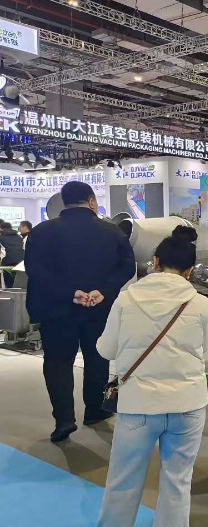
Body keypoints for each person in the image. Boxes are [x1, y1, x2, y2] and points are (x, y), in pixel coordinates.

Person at [92, 226, 208, 527]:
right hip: (188, 405)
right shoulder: (201, 304)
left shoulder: (127, 298)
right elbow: (204, 351)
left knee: (123, 480)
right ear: (190, 271)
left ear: (155, 262)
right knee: (177, 481)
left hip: (137, 405)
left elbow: (105, 349)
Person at [25, 181, 136, 442]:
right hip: (98, 309)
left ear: (64, 203)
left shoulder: (41, 232)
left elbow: (36, 271)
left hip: (56, 310)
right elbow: (127, 267)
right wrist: (103, 291)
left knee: (57, 363)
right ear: (92, 201)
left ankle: (64, 419)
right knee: (97, 359)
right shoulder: (112, 232)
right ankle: (95, 410)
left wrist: (71, 293)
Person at [0, 221, 24, 288]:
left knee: (8, 284)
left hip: (7, 262)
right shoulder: (19, 236)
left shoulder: (1, 237)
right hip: (20, 262)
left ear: (1, 228)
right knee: (19, 283)